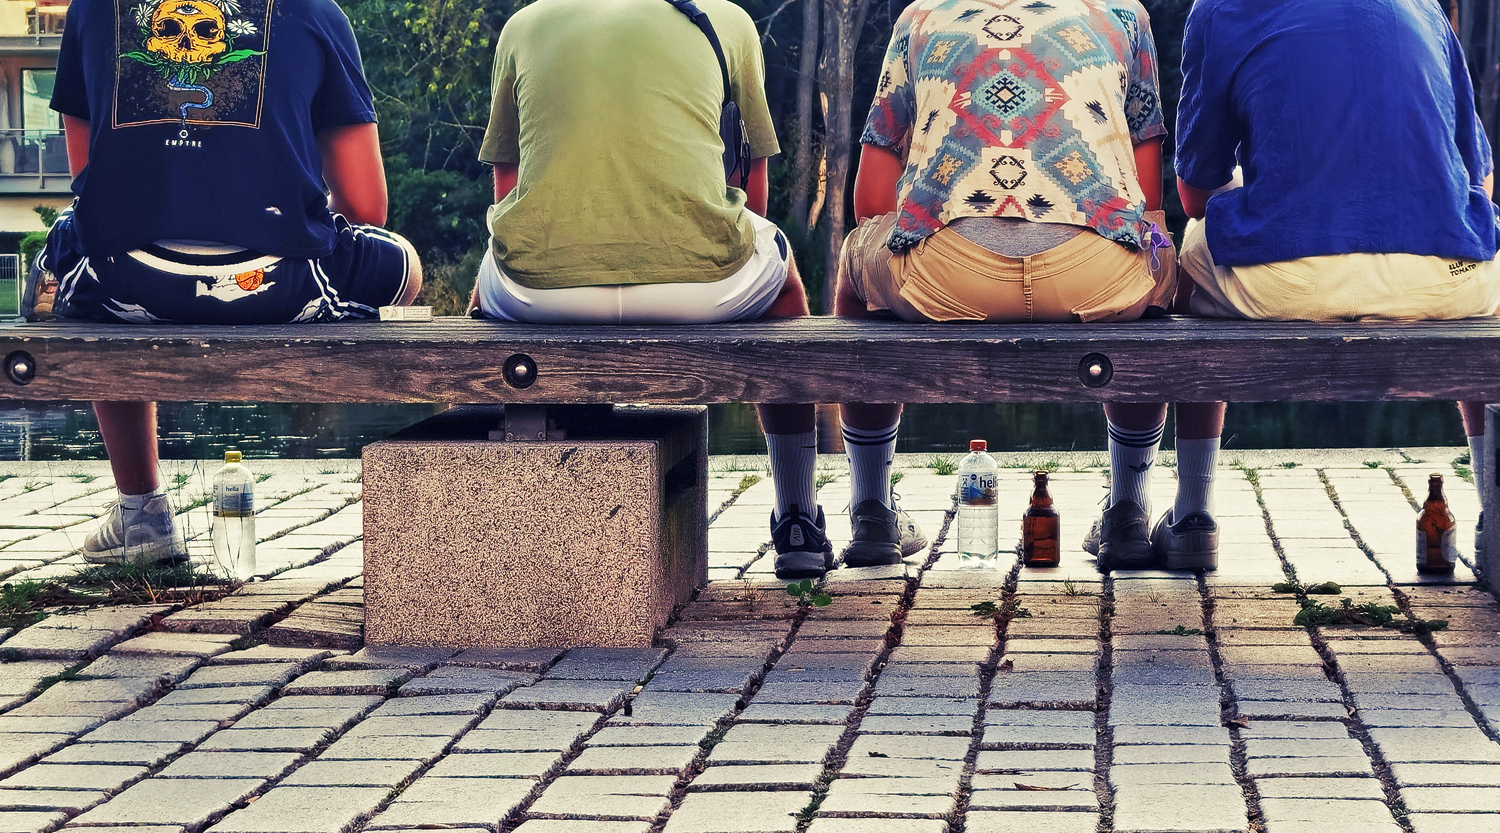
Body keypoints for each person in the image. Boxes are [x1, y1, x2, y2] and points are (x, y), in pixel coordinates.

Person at [470, 0, 885, 579]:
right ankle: (796, 519)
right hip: (702, 287)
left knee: (489, 281)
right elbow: (754, 191)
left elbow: (508, 183)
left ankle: (487, 503)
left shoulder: (525, 24)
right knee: (784, 281)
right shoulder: (727, 21)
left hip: (542, 294)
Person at [38, 0, 422, 565]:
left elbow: (90, 181)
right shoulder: (315, 10)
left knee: (76, 248)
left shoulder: (92, 9)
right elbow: (367, 207)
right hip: (279, 285)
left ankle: (141, 511)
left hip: (126, 282)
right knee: (402, 262)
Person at [836, 0, 1190, 571]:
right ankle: (1128, 509)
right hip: (1096, 275)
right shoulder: (1126, 15)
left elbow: (871, 204)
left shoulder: (920, 17)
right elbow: (1146, 201)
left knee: (857, 257)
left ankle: (872, 510)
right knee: (1153, 256)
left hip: (948, 273)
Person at [1171, 0, 1500, 563]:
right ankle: (1494, 510)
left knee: (1194, 247)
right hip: (1443, 279)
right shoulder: (1424, 8)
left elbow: (1196, 196)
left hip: (1286, 281)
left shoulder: (1222, 9)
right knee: (1488, 289)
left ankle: (1192, 515)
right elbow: (1480, 181)